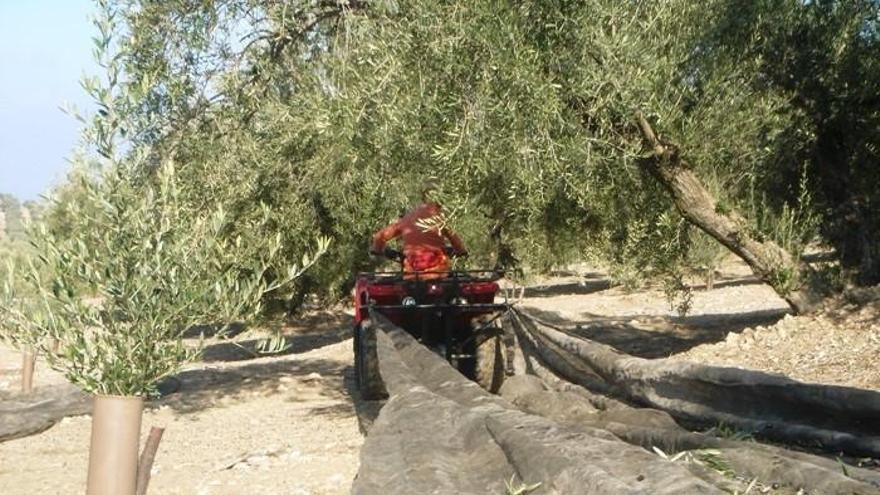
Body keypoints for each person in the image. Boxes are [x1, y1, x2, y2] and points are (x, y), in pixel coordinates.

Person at [370, 181, 467, 279]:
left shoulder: (408, 217)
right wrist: (461, 251)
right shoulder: (440, 218)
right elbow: (456, 241)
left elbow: (380, 236)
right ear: (441, 198)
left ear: (423, 197)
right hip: (438, 271)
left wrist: (377, 250)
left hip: (412, 269)